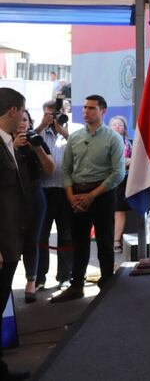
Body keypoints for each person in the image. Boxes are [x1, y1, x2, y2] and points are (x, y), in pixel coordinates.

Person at [51, 95, 125, 303]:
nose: (86, 111)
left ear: (103, 111)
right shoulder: (74, 137)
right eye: (84, 107)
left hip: (102, 195)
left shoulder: (113, 138)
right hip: (75, 195)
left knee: (105, 241)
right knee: (79, 241)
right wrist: (71, 197)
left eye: (91, 108)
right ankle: (76, 286)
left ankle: (107, 284)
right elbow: (65, 170)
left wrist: (92, 195)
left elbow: (118, 173)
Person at [0, 87, 31, 381]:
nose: (24, 117)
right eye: (22, 111)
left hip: (11, 239)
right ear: (12, 111)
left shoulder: (9, 143)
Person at [14, 110, 54, 303]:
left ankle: (31, 281)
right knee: (10, 240)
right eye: (19, 119)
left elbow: (50, 169)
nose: (22, 123)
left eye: (25, 120)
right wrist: (12, 147)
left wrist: (37, 148)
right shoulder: (4, 141)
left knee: (32, 239)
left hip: (34, 196)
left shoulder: (36, 140)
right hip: (10, 198)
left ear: (30, 123)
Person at [35, 100, 74, 291]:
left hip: (65, 191)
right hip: (44, 191)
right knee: (41, 234)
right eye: (50, 114)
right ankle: (39, 276)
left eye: (57, 113)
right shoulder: (39, 132)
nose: (54, 118)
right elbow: (29, 140)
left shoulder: (72, 133)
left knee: (66, 235)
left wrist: (63, 129)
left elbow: (80, 149)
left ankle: (65, 276)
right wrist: (43, 124)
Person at [109, 116, 132, 254]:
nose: (118, 127)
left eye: (120, 125)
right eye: (114, 124)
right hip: (108, 180)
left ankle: (116, 241)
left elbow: (134, 160)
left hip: (124, 180)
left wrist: (131, 160)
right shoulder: (105, 142)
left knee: (120, 210)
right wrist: (124, 161)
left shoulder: (130, 143)